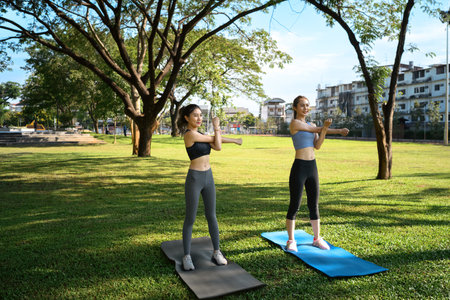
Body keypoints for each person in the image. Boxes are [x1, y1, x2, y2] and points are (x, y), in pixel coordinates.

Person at [177, 104, 242, 271]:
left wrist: (234, 140)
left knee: (211, 215)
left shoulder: (201, 134)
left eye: (200, 115)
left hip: (208, 177)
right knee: (190, 218)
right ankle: (187, 255)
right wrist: (217, 127)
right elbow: (217, 144)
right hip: (195, 178)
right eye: (195, 115)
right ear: (187, 118)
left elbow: (215, 141)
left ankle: (217, 251)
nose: (199, 118)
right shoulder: (190, 135)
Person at [286, 95, 349, 252]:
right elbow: (315, 129)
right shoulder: (295, 123)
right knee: (295, 204)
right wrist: (338, 130)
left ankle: (316, 238)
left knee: (314, 204)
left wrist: (326, 130)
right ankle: (291, 240)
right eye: (302, 105)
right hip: (299, 166)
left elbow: (318, 145)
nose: (306, 108)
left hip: (312, 167)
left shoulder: (312, 124)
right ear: (295, 107)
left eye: (307, 105)